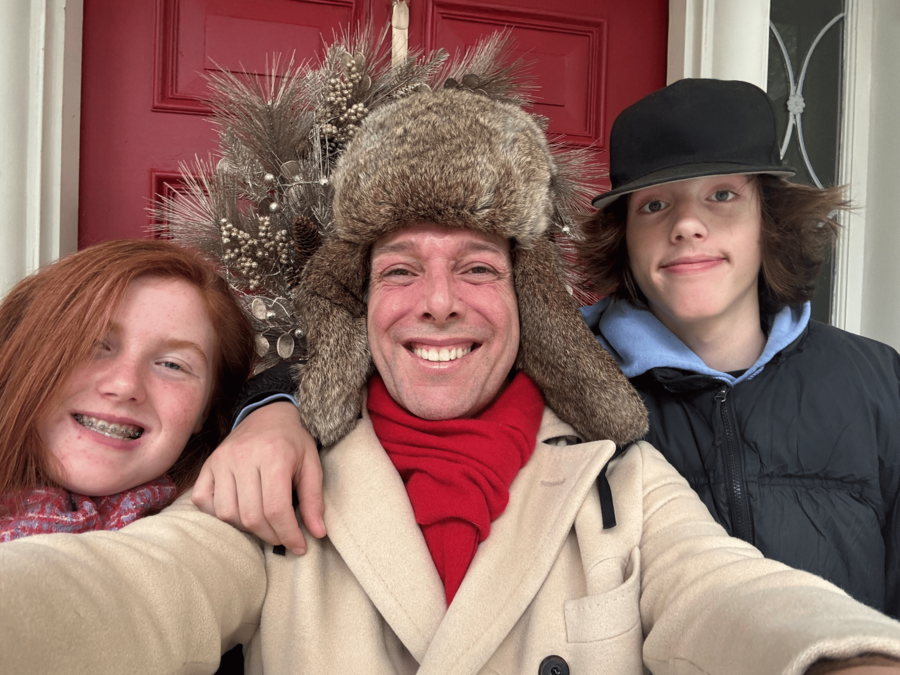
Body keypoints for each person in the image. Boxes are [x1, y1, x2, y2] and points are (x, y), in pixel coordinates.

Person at [3, 86, 900, 675]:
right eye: (400, 271)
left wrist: (844, 656)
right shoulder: (281, 476)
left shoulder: (618, 475)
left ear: (528, 305)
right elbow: (145, 584)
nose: (438, 303)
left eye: (476, 268)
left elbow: (722, 590)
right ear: (360, 307)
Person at [576, 78, 900, 619]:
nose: (686, 225)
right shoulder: (568, 390)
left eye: (721, 195)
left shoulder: (880, 384)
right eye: (654, 204)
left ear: (767, 221)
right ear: (624, 237)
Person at [0, 238, 254, 540]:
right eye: (94, 343)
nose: (124, 385)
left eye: (172, 365)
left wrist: (272, 414)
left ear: (206, 410)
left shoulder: (203, 540)